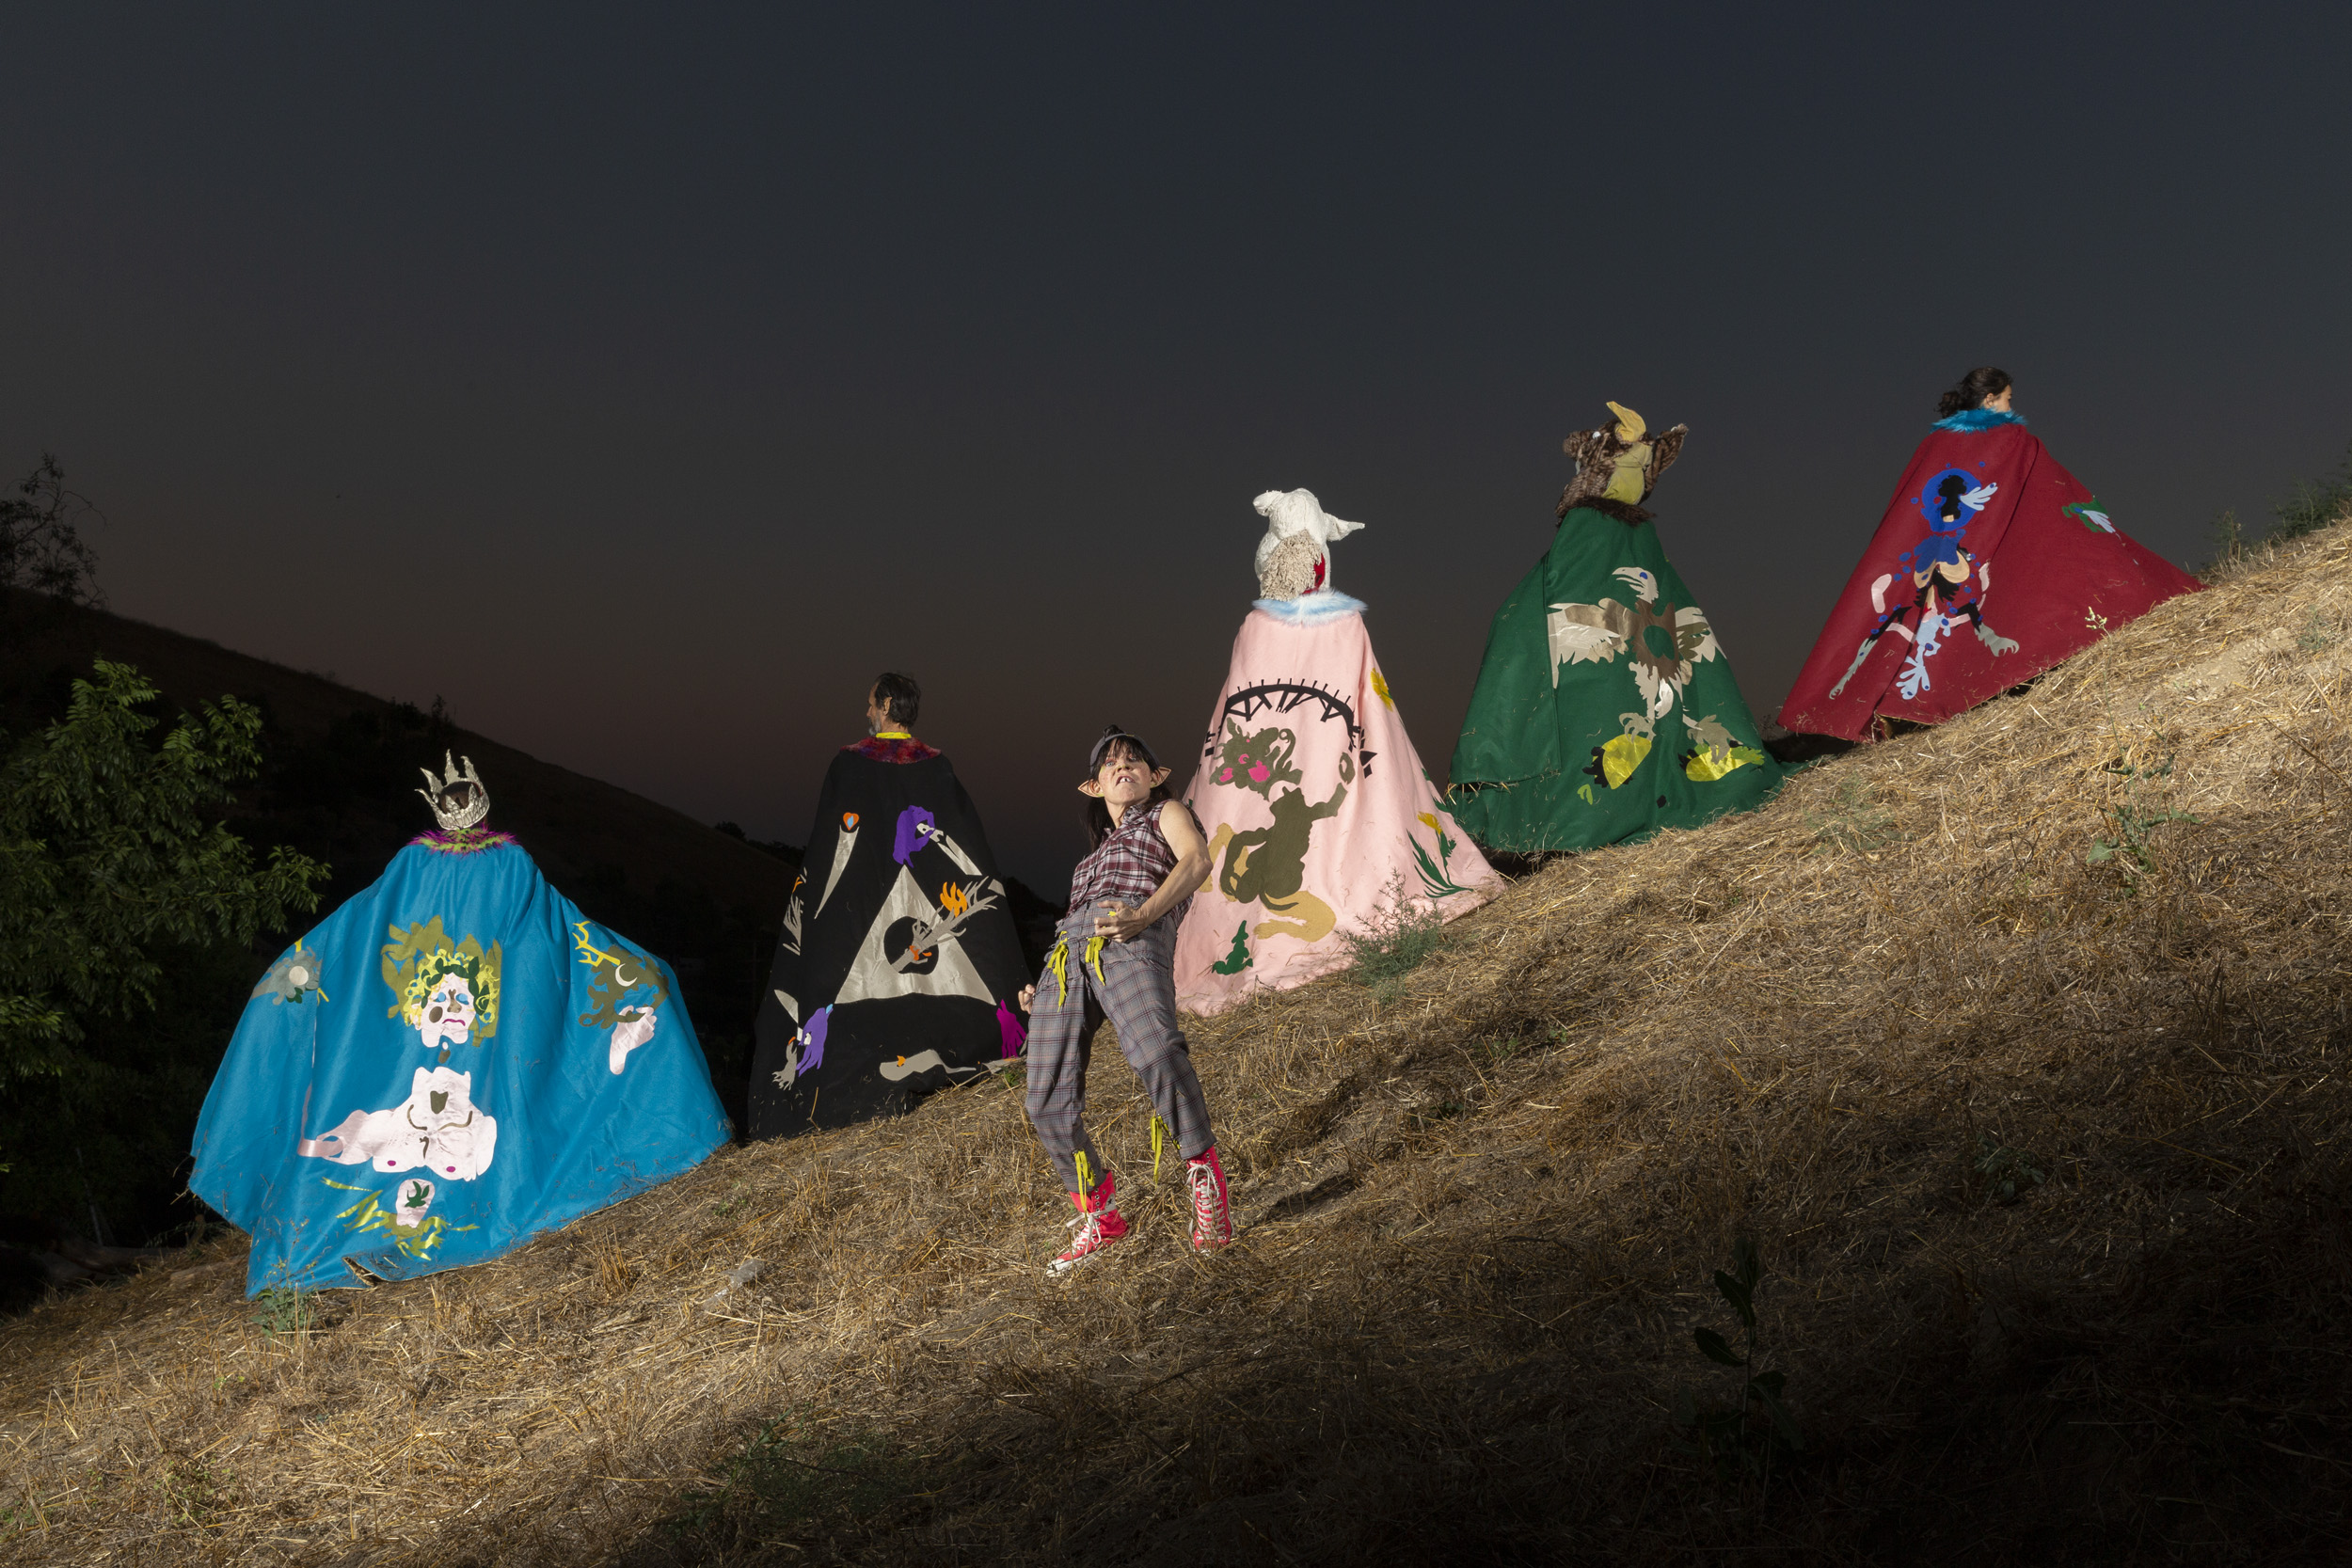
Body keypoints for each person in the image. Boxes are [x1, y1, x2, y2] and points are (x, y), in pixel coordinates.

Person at [192, 756, 728, 1294]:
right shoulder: (511, 866)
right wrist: (641, 978)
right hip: (496, 1055)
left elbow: (357, 926)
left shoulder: (408, 870)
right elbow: (560, 936)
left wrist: (289, 984)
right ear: (482, 808)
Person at [1172, 488, 1499, 1014]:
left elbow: (1357, 695)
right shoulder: (1271, 628)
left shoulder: (1315, 626)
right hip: (1277, 770)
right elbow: (1239, 707)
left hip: (1315, 760)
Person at [1779, 369, 2202, 740]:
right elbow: (2038, 487)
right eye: (2007, 398)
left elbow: (1914, 507)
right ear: (1990, 399)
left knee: (1914, 618)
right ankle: (1915, 697)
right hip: (1956, 552)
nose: (2010, 405)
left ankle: (1894, 705)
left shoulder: (1936, 443)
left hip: (1936, 551)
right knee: (1933, 617)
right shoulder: (2012, 439)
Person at [1447, 403, 1784, 854]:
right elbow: (1567, 588)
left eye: (1645, 467)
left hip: (1646, 657)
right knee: (1597, 717)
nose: (1639, 477)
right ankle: (1594, 808)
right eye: (1631, 464)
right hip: (1598, 664)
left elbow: (1664, 599)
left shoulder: (1638, 538)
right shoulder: (1585, 530)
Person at [744, 673, 1032, 1137]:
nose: (866, 712)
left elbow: (833, 840)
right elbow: (960, 834)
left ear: (886, 704)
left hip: (862, 898)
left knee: (830, 981)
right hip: (889, 895)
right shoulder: (936, 765)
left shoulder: (851, 764)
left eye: (870, 703)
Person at [1019, 725, 1226, 1274]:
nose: (1123, 766)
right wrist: (1040, 985)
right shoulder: (1088, 861)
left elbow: (1197, 862)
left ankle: (1205, 1181)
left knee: (1158, 1051)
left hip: (1130, 932)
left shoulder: (1167, 814)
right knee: (1045, 1100)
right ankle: (1102, 1217)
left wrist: (1144, 914)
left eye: (1135, 760)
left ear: (1156, 777)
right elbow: (1072, 929)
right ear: (1093, 787)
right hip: (1066, 958)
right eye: (1111, 763)